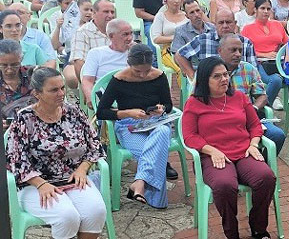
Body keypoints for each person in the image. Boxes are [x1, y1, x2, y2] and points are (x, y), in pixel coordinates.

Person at [6, 67, 107, 239]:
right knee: (67, 217)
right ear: (37, 93)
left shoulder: (73, 111)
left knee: (96, 211)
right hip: (34, 184)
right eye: (54, 90)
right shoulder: (24, 118)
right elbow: (16, 160)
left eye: (62, 88)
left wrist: (82, 169)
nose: (61, 93)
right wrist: (40, 184)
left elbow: (94, 144)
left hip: (72, 177)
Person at [181, 57, 276, 239]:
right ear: (204, 81)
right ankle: (232, 233)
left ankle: (258, 228)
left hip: (243, 151)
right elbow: (189, 136)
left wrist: (253, 144)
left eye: (225, 74)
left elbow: (255, 125)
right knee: (225, 185)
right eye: (217, 76)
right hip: (213, 155)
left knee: (266, 177)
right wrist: (211, 150)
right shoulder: (194, 103)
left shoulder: (239, 97)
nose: (224, 79)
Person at [96, 44, 179, 209]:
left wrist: (162, 108)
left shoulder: (159, 76)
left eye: (146, 71)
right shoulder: (119, 80)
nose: (142, 75)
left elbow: (168, 104)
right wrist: (128, 113)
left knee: (162, 130)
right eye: (137, 71)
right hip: (128, 125)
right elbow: (101, 112)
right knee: (156, 154)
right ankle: (157, 201)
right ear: (128, 64)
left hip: (155, 122)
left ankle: (139, 183)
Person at [217, 34, 287, 154]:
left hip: (248, 118)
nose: (238, 54)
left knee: (277, 135)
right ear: (220, 51)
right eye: (233, 50)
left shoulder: (248, 69)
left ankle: (263, 165)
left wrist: (254, 108)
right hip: (221, 121)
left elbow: (262, 95)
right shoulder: (210, 71)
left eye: (240, 50)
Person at [176, 9, 256, 80]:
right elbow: (179, 55)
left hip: (239, 87)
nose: (225, 26)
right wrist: (193, 76)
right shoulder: (203, 40)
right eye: (221, 23)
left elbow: (254, 71)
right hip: (209, 89)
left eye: (228, 22)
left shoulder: (246, 43)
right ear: (215, 24)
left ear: (235, 24)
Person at [241, 0, 288, 108]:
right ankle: (262, 109)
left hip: (279, 61)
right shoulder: (247, 29)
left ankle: (261, 110)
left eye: (268, 9)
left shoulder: (277, 25)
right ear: (256, 10)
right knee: (275, 80)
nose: (266, 11)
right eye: (262, 8)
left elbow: (288, 45)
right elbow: (244, 52)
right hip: (259, 63)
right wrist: (264, 54)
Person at [80, 19, 133, 104]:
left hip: (134, 98)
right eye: (125, 34)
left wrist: (138, 53)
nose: (130, 38)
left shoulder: (135, 52)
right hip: (107, 101)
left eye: (131, 33)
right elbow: (87, 81)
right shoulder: (96, 53)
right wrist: (91, 98)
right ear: (111, 36)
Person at [65, 0, 113, 88]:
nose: (110, 15)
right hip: (97, 81)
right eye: (106, 12)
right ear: (94, 14)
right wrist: (88, 88)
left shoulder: (119, 30)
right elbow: (79, 63)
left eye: (112, 12)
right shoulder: (82, 33)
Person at [150, 0, 188, 75]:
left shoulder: (186, 15)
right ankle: (183, 89)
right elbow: (156, 39)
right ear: (166, 0)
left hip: (186, 48)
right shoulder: (160, 16)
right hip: (168, 50)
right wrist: (175, 38)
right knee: (180, 69)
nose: (176, 1)